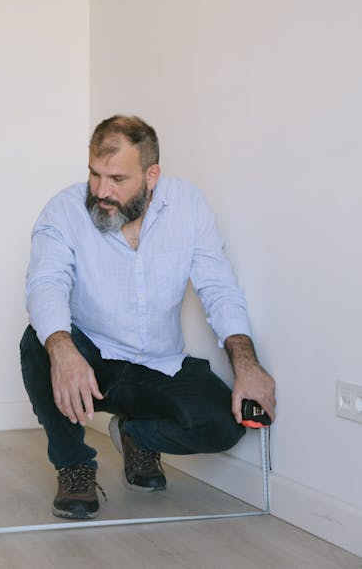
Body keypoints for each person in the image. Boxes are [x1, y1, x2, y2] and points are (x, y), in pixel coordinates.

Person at [20, 115, 276, 520]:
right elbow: (45, 284)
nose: (101, 190)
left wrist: (247, 364)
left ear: (151, 174)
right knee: (39, 341)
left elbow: (218, 288)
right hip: (93, 358)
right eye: (94, 174)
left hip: (158, 363)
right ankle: (75, 467)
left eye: (117, 179)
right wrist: (62, 348)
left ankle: (134, 433)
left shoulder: (188, 206)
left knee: (223, 426)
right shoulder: (64, 211)